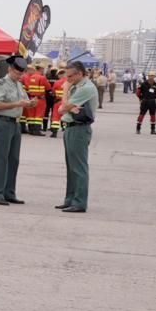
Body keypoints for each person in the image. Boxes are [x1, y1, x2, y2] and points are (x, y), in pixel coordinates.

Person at [0, 56, 32, 205]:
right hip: (3, 123)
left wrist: (30, 103)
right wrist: (16, 104)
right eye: (17, 73)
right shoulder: (1, 84)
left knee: (14, 160)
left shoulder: (18, 85)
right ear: (10, 70)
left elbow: (23, 101)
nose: (19, 76)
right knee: (1, 159)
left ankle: (9, 192)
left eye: (21, 74)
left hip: (15, 124)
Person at [57, 59, 98, 213]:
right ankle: (70, 199)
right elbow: (66, 108)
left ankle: (79, 202)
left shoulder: (86, 88)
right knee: (71, 167)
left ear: (80, 73)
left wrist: (66, 90)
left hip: (79, 129)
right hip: (70, 128)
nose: (68, 80)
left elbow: (62, 108)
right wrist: (68, 107)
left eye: (70, 77)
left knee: (79, 168)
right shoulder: (78, 85)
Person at [21, 63, 49, 136]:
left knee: (31, 115)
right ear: (41, 69)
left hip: (31, 98)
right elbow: (48, 87)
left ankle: (31, 130)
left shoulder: (30, 77)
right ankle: (37, 131)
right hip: (40, 99)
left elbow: (27, 87)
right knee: (38, 116)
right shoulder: (42, 77)